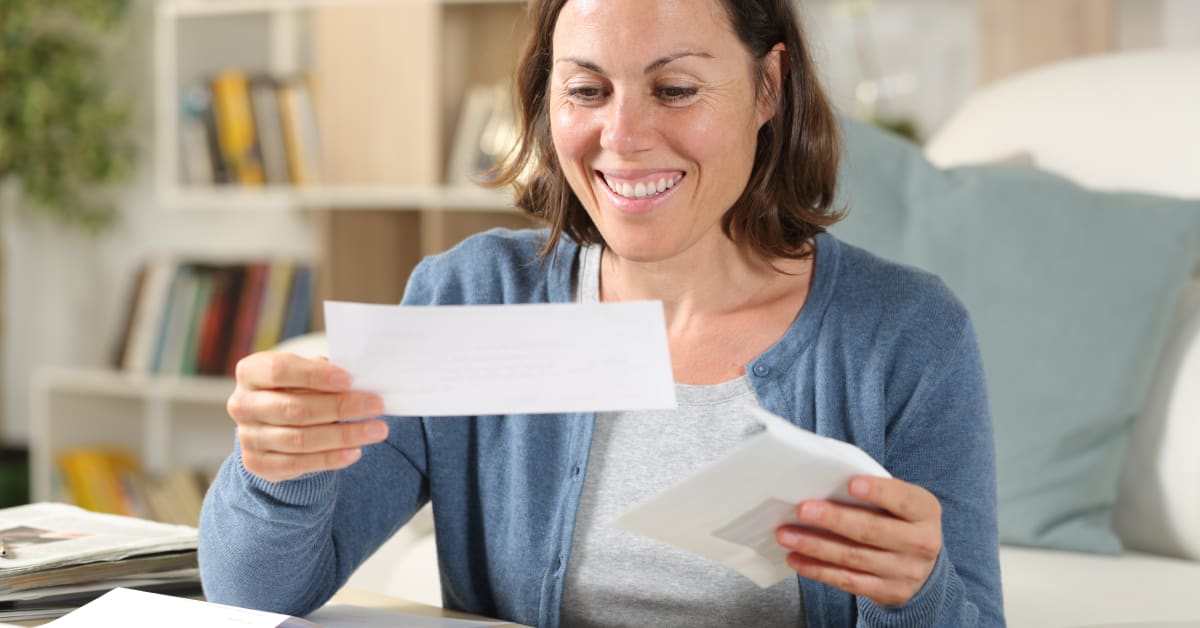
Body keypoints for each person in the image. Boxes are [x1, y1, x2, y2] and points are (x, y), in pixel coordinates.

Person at [199, 0, 1004, 626]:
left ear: (769, 86)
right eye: (587, 91)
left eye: (675, 89)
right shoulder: (474, 295)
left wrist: (916, 593)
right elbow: (254, 595)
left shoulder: (907, 334)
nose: (622, 135)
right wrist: (278, 469)